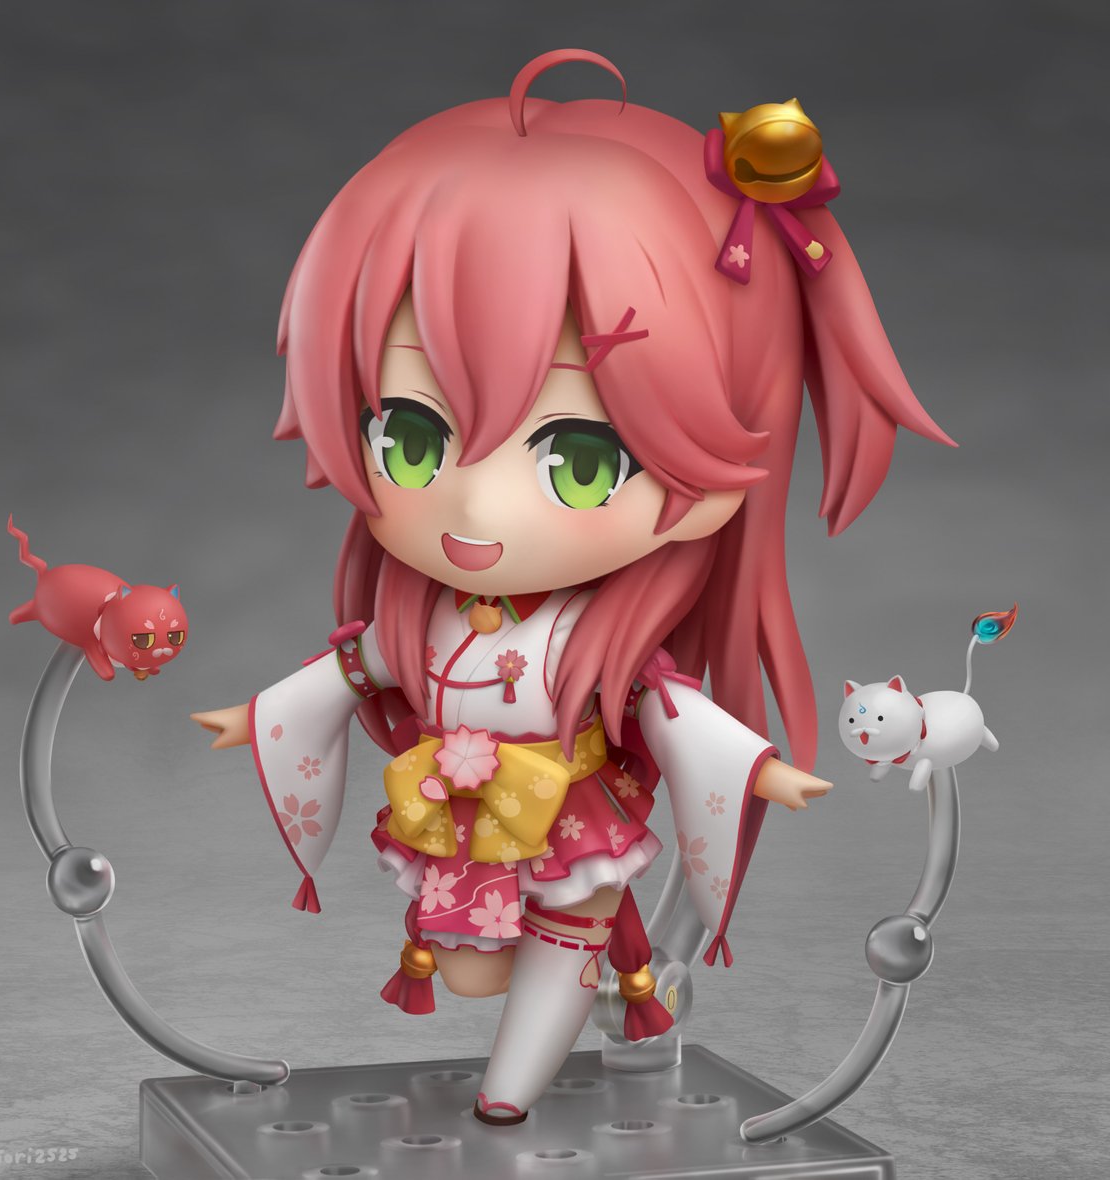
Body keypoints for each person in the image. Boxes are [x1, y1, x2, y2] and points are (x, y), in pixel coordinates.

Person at [192, 48, 951, 1124]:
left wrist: (756, 771)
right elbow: (351, 670)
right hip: (455, 819)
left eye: (578, 461)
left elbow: (673, 715)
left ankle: (512, 1091)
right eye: (410, 438)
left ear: (712, 476)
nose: (475, 507)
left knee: (566, 936)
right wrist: (264, 717)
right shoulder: (423, 619)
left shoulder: (599, 641)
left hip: (572, 809)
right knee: (468, 969)